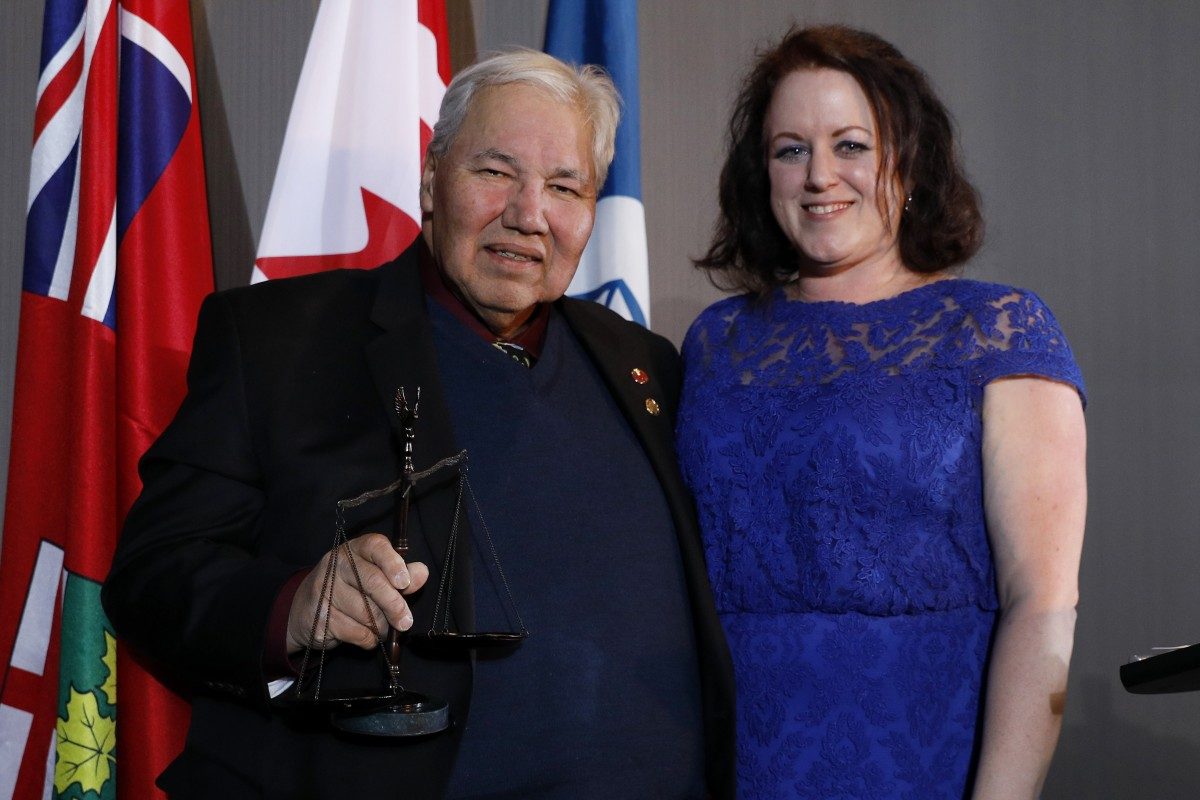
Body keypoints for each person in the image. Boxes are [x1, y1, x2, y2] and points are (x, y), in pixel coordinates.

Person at [103, 50, 734, 799]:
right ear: (432, 179)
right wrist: (291, 608)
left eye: (565, 187)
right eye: (495, 171)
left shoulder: (645, 364)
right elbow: (152, 576)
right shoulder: (277, 340)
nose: (528, 214)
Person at [676, 25, 1086, 800]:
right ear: (761, 173)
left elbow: (1042, 604)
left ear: (912, 158)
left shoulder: (998, 329)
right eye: (790, 150)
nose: (819, 175)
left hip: (927, 760)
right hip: (731, 764)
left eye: (851, 145)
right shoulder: (716, 342)